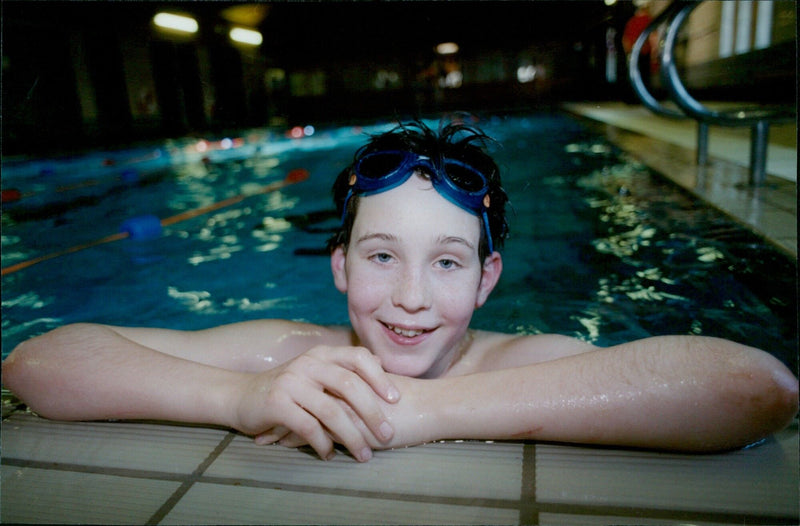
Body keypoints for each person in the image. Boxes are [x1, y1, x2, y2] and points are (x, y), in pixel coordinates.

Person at [3, 121, 797, 464]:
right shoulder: (290, 352)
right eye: (382, 255)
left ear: (488, 279)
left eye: (447, 263)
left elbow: (753, 387)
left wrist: (413, 413)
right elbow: (36, 364)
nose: (411, 297)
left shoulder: (526, 364)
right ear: (340, 265)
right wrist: (240, 397)